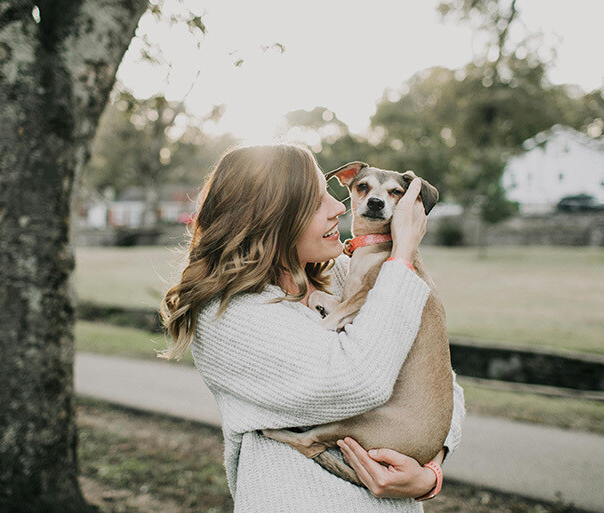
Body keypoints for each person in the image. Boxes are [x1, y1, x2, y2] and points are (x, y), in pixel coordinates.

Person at [159, 144, 465, 512]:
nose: (339, 206)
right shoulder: (229, 317)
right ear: (272, 217)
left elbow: (439, 382)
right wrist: (402, 254)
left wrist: (430, 473)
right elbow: (359, 379)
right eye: (318, 201)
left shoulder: (341, 277)